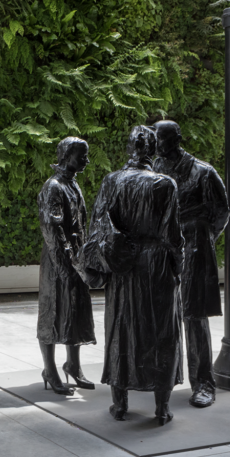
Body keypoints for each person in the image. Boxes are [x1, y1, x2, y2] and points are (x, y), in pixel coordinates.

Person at [74, 126, 184, 426]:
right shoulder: (165, 184)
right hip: (157, 265)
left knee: (122, 329)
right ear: (153, 150)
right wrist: (178, 267)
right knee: (162, 333)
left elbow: (98, 227)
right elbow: (174, 236)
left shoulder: (112, 181)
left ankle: (120, 405)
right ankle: (161, 408)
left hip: (123, 266)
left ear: (129, 148)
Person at [154, 120, 229, 408]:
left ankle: (203, 383)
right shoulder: (155, 171)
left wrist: (202, 237)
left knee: (194, 317)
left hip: (194, 247)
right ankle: (162, 377)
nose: (157, 144)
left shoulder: (203, 172)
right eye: (156, 139)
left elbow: (221, 212)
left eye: (161, 138)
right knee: (160, 314)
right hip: (164, 249)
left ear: (175, 139)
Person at [36, 137, 96, 394]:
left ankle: (73, 365)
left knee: (76, 310)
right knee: (52, 313)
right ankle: (49, 369)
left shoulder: (72, 184)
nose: (86, 160)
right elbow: (51, 228)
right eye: (81, 155)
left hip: (76, 258)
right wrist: (63, 266)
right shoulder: (54, 186)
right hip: (57, 260)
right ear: (66, 155)